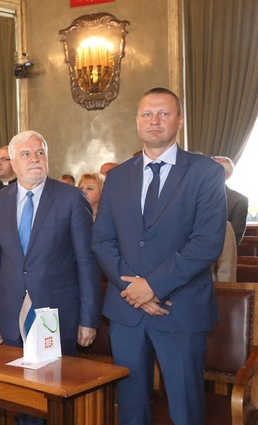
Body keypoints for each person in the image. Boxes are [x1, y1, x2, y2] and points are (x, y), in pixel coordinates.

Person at [92, 88, 226, 424]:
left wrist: (152, 287)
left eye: (164, 114)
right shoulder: (118, 176)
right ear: (137, 122)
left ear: (179, 120)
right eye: (147, 114)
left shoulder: (204, 172)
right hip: (127, 312)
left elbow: (207, 243)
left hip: (180, 310)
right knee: (131, 408)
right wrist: (134, 291)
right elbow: (102, 239)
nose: (155, 121)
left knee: (184, 409)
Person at [0, 131, 100, 356]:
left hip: (57, 318)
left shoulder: (71, 199)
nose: (35, 158)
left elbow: (87, 262)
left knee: (56, 385)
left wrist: (88, 318)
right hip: (10, 318)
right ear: (13, 163)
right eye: (26, 154)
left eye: (40, 152)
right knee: (15, 389)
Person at [213, 156, 249, 246]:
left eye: (211, 168)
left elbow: (234, 237)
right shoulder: (193, 194)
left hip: (218, 254)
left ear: (225, 174)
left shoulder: (238, 200)